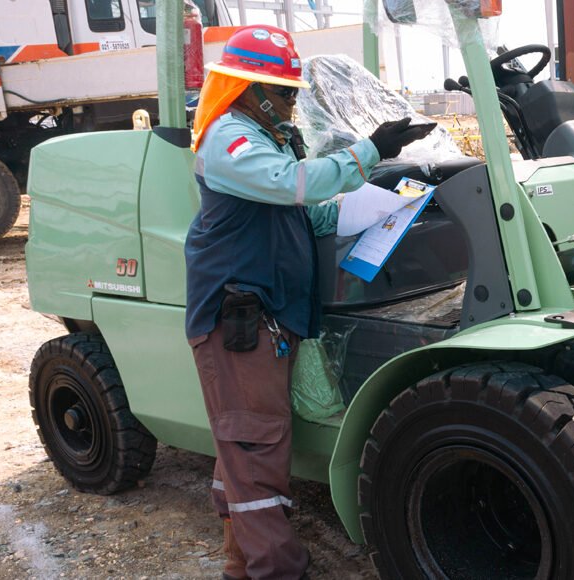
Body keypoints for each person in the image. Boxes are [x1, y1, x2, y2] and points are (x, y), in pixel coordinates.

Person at [183, 25, 433, 580]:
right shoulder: (230, 138)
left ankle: (240, 566)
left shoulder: (266, 138)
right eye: (285, 92)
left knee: (245, 445)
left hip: (264, 314)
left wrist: (373, 206)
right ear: (248, 89)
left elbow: (302, 213)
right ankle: (279, 570)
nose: (294, 103)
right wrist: (371, 151)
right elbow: (293, 185)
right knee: (255, 448)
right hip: (238, 319)